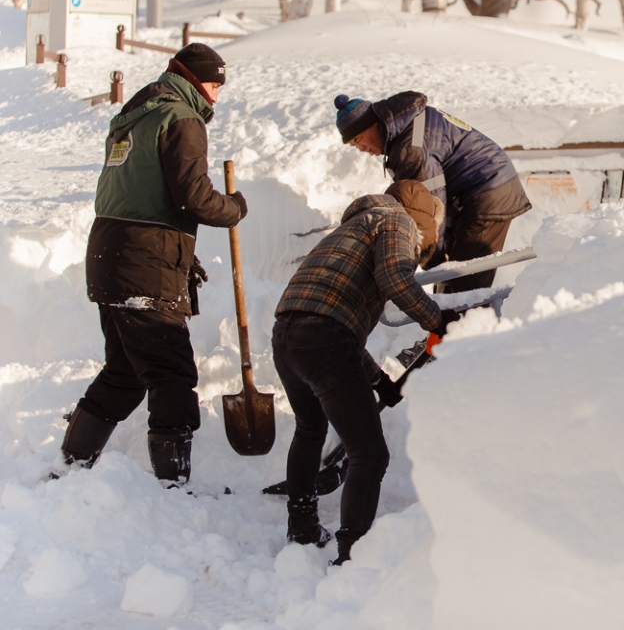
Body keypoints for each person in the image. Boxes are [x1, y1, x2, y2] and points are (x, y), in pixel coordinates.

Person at [60, 44, 248, 485]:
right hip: (145, 261)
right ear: (193, 78)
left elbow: (143, 196)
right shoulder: (182, 119)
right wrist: (234, 207)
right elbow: (194, 196)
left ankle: (70, 466)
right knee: (171, 372)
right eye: (213, 85)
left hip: (111, 253)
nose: (216, 97)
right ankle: (171, 485)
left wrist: (180, 248)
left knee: (126, 370)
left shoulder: (135, 114)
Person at [272, 180, 459, 564]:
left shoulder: (350, 230)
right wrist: (438, 320)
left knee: (310, 429)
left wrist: (379, 382)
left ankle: (303, 528)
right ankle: (352, 554)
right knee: (369, 454)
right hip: (324, 338)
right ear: (423, 222)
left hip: (287, 335)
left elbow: (336, 328)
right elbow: (394, 279)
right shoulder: (397, 221)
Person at [334, 91, 531, 292]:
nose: (361, 148)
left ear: (373, 124)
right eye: (354, 145)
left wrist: (432, 262)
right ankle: (457, 316)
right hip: (477, 191)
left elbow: (427, 209)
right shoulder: (407, 126)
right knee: (453, 280)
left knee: (465, 286)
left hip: (488, 191)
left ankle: (469, 321)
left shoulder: (410, 148)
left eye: (358, 139)